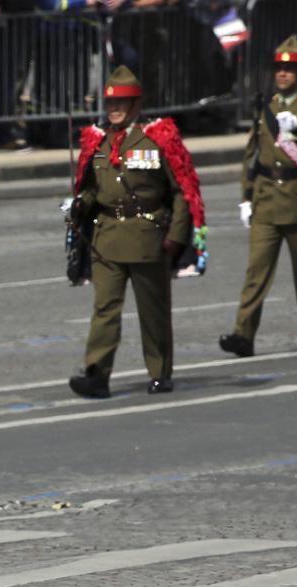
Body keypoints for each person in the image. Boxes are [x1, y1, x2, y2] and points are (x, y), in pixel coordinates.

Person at [67, 65, 205, 399]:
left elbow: (182, 191)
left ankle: (160, 372)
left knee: (153, 311)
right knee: (105, 309)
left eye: (122, 103)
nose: (114, 109)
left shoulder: (157, 139)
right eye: (110, 104)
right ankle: (97, 374)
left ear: (135, 105)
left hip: (148, 236)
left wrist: (177, 234)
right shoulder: (97, 141)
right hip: (107, 237)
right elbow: (92, 187)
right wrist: (79, 205)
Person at [219, 35, 297, 358]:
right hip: (267, 198)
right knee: (256, 272)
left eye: (289, 68)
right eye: (279, 68)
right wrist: (246, 195)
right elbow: (252, 154)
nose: (282, 74)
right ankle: (243, 334)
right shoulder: (265, 107)